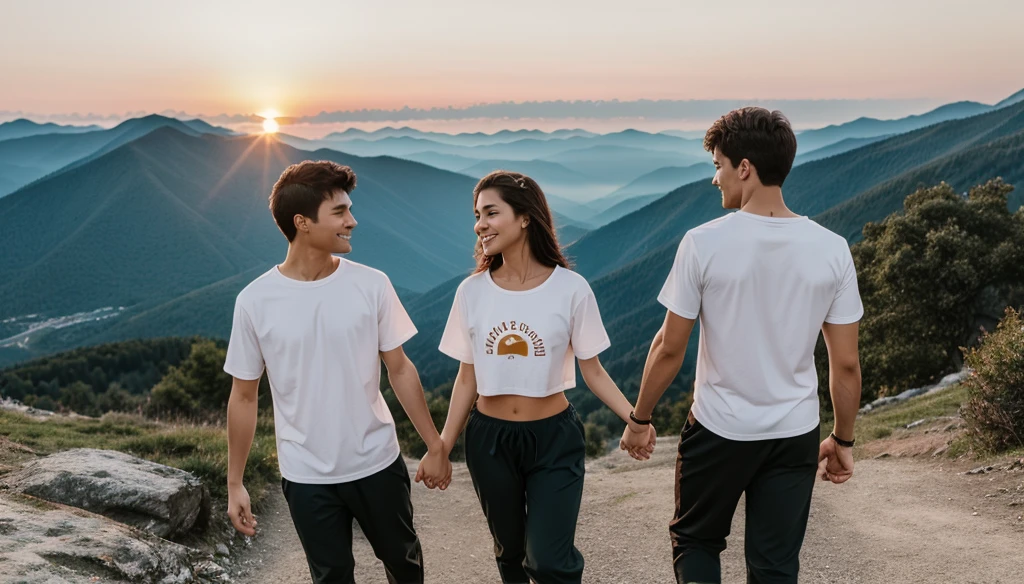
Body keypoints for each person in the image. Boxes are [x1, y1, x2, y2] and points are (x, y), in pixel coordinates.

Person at [620, 107, 864, 584]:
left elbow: (670, 347)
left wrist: (640, 419)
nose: (716, 179)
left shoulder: (703, 243)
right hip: (794, 431)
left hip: (719, 428)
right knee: (774, 565)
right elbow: (847, 364)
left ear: (744, 167)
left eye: (718, 165)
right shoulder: (832, 248)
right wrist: (843, 439)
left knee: (696, 541)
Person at [223, 160, 451, 584]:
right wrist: (235, 482)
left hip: (377, 461)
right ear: (302, 222)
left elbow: (399, 368)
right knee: (331, 576)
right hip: (305, 473)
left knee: (404, 562)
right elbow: (243, 395)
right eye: (340, 212)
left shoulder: (372, 284)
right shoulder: (254, 302)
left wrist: (434, 444)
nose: (353, 220)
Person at [428, 170, 655, 584]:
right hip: (489, 440)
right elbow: (467, 378)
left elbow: (594, 370)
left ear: (525, 217)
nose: (480, 225)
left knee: (549, 561)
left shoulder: (571, 288)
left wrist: (635, 420)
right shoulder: (472, 292)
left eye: (491, 212)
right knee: (510, 555)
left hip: (554, 439)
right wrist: (441, 446)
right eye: (477, 215)